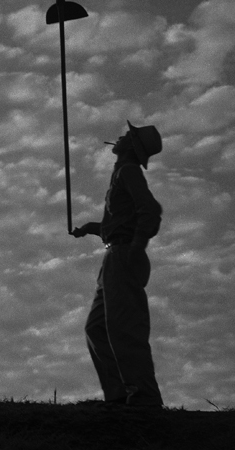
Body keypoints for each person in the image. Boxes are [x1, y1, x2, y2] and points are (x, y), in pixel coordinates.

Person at [70, 121, 164, 408]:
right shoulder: (121, 173)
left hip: (124, 256)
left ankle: (144, 397)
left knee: (125, 328)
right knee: (96, 328)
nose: (121, 137)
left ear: (132, 148)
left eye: (128, 136)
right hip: (115, 256)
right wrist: (91, 228)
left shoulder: (128, 171)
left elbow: (150, 210)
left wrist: (137, 246)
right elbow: (121, 222)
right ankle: (118, 395)